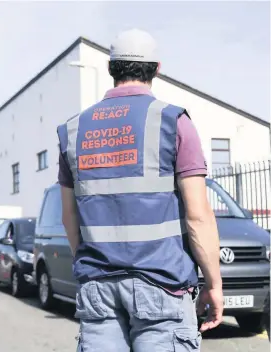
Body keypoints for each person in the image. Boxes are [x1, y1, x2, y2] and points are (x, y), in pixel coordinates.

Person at [57, 29, 223, 351]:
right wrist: (213, 283)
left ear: (110, 69)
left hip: (98, 290)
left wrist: (95, 266)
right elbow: (198, 216)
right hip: (161, 285)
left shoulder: (73, 130)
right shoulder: (173, 121)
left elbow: (69, 217)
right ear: (157, 68)